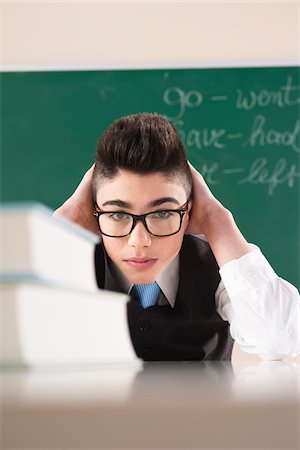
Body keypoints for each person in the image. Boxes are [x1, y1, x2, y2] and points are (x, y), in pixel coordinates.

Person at [54, 112, 299, 361]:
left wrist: (218, 220)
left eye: (162, 213)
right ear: (95, 212)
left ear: (189, 211)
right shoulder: (69, 264)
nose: (139, 241)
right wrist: (65, 222)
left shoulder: (220, 263)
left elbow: (281, 343)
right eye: (118, 215)